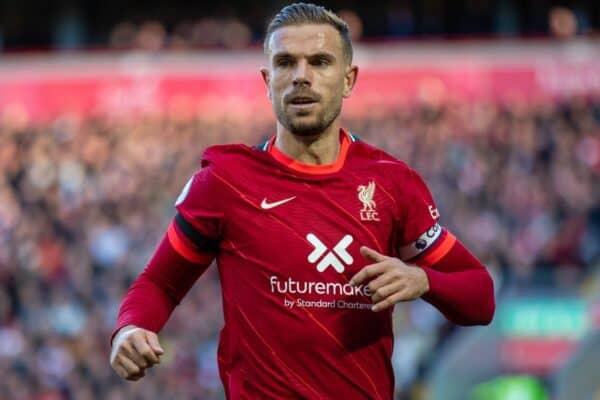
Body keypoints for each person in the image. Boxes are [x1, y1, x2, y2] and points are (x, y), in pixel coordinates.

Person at [109, 3, 495, 399]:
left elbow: (480, 296)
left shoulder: (392, 182)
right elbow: (160, 282)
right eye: (285, 63)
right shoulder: (226, 182)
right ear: (267, 79)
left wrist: (423, 280)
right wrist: (132, 326)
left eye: (320, 62)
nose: (301, 77)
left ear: (349, 79)